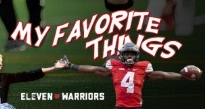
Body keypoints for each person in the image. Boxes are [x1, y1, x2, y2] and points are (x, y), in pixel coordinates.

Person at [60, 42, 199, 108]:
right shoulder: (114, 66)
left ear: (137, 55)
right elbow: (93, 69)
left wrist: (182, 76)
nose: (129, 56)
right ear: (121, 55)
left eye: (132, 54)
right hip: (120, 107)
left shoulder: (143, 68)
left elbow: (163, 75)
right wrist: (72, 66)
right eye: (127, 54)